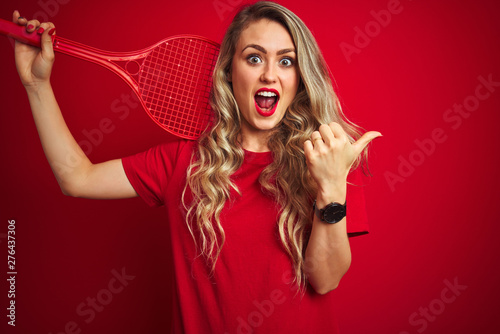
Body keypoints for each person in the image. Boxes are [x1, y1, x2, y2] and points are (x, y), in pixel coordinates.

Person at [12, 1, 381, 333]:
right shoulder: (182, 162)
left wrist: (331, 187)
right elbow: (76, 177)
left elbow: (326, 279)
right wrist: (36, 84)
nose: (270, 74)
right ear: (228, 72)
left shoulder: (329, 158)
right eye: (254, 58)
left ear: (299, 78)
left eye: (286, 61)